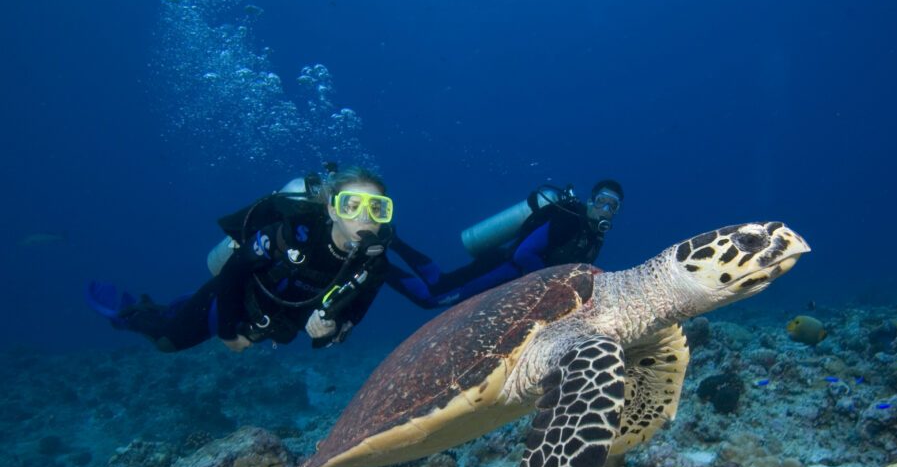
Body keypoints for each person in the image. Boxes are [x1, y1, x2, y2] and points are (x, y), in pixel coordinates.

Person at [87, 166, 396, 352]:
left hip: (275, 320)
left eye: (377, 209)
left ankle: (180, 307)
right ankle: (130, 313)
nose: (364, 218)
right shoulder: (294, 233)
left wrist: (327, 330)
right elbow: (234, 271)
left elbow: (350, 318)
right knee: (167, 342)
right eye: (352, 206)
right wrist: (227, 333)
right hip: (236, 297)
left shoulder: (374, 266)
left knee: (181, 318)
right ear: (332, 209)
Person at [387, 180, 623, 308]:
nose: (605, 209)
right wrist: (554, 286)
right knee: (434, 295)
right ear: (590, 200)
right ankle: (383, 263)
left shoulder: (595, 237)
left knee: (440, 284)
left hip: (517, 281)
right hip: (502, 268)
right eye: (601, 201)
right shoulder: (568, 218)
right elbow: (524, 254)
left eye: (612, 206)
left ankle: (392, 244)